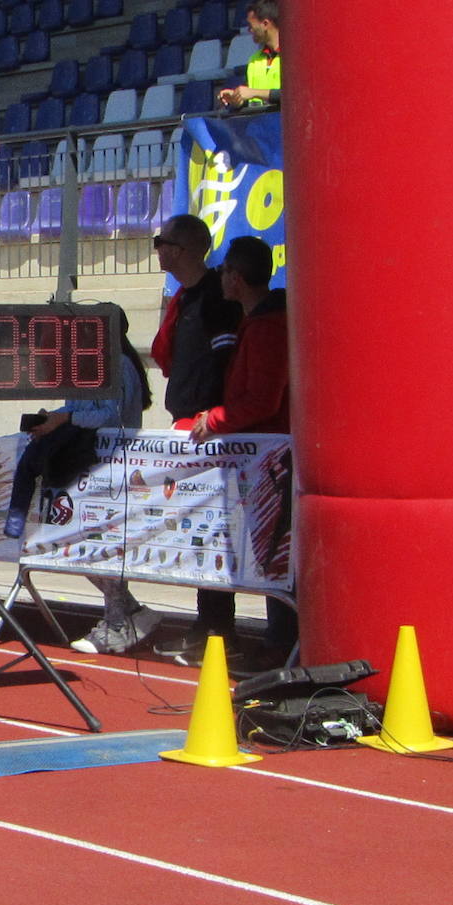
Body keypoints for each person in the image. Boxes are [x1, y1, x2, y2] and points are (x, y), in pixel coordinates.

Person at [2, 306, 161, 654]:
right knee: (79, 542)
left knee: (102, 544)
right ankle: (130, 611)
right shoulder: (85, 366)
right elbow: (77, 410)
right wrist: (54, 419)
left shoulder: (118, 365)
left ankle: (119, 620)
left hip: (113, 463)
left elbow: (110, 414)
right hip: (86, 464)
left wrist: (68, 417)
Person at [189, 235, 295, 667]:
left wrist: (214, 420)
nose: (220, 279)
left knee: (276, 549)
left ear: (236, 277)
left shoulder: (269, 326)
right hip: (262, 453)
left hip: (272, 457)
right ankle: (279, 639)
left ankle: (281, 641)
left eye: (225, 272)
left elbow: (263, 400)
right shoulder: (257, 320)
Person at [148, 214, 244, 665]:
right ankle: (208, 624)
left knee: (214, 531)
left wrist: (213, 415)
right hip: (187, 424)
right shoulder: (184, 298)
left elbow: (226, 363)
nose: (157, 250)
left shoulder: (215, 300)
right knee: (198, 535)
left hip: (209, 433)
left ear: (180, 249)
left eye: (160, 242)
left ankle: (219, 629)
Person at [219, 0, 280, 109]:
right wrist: (238, 99)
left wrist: (253, 92)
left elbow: (295, 95)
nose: (249, 30)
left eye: (251, 26)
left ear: (265, 24)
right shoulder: (254, 59)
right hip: (260, 123)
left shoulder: (294, 56)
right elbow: (251, 98)